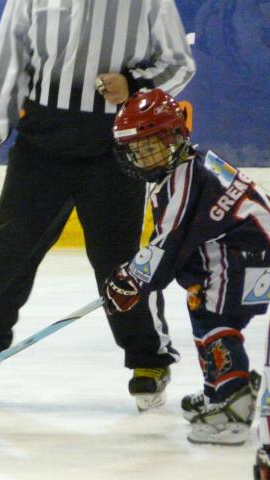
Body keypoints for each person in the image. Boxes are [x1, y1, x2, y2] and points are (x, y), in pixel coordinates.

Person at [0, 0, 196, 411]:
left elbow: (180, 64)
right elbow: (9, 61)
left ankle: (149, 359)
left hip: (116, 147)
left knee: (119, 262)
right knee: (9, 252)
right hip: (42, 142)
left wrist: (133, 83)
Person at [104, 88, 265, 448]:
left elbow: (167, 242)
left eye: (152, 147)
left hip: (244, 256)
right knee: (203, 311)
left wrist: (132, 279)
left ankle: (233, 404)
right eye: (137, 150)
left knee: (214, 319)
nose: (144, 158)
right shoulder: (191, 165)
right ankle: (217, 393)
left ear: (176, 136)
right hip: (245, 253)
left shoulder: (183, 178)